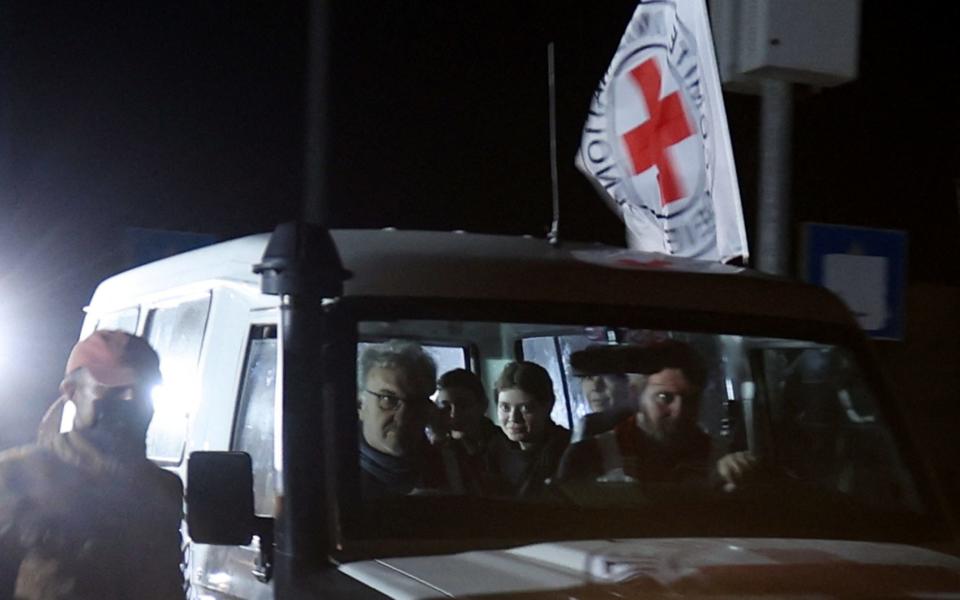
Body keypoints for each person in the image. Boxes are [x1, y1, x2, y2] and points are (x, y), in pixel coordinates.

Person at [0, 330, 184, 600]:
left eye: (143, 390)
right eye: (114, 391)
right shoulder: (18, 476)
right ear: (70, 392)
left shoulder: (163, 489)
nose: (132, 401)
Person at [558, 339, 756, 487]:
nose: (679, 411)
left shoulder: (723, 458)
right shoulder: (588, 458)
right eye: (664, 398)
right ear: (637, 395)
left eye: (690, 399)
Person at [357, 340, 451, 498]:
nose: (403, 416)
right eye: (388, 399)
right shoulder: (335, 478)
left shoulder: (448, 464)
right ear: (360, 405)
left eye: (417, 401)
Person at [483, 361, 570, 498]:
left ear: (548, 406)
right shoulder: (496, 449)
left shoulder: (566, 450)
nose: (514, 418)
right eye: (505, 407)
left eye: (526, 408)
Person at [434, 368, 498, 456]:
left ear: (483, 405)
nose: (454, 414)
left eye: (463, 406)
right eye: (446, 407)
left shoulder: (503, 445)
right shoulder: (436, 448)